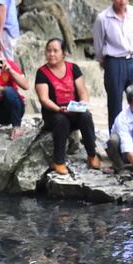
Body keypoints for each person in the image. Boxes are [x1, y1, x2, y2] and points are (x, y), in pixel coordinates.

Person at [35, 37, 100, 175]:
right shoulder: (42, 73)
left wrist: (83, 103)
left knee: (86, 116)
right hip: (53, 112)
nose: (51, 54)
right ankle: (58, 162)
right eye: (48, 51)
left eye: (55, 51)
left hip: (73, 110)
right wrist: (58, 109)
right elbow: (44, 99)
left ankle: (92, 155)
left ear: (63, 53)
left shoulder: (73, 68)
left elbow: (83, 92)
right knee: (61, 120)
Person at [93, 0, 133, 129]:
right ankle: (115, 141)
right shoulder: (103, 18)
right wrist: (104, 61)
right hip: (114, 61)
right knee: (115, 103)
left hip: (132, 60)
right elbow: (98, 44)